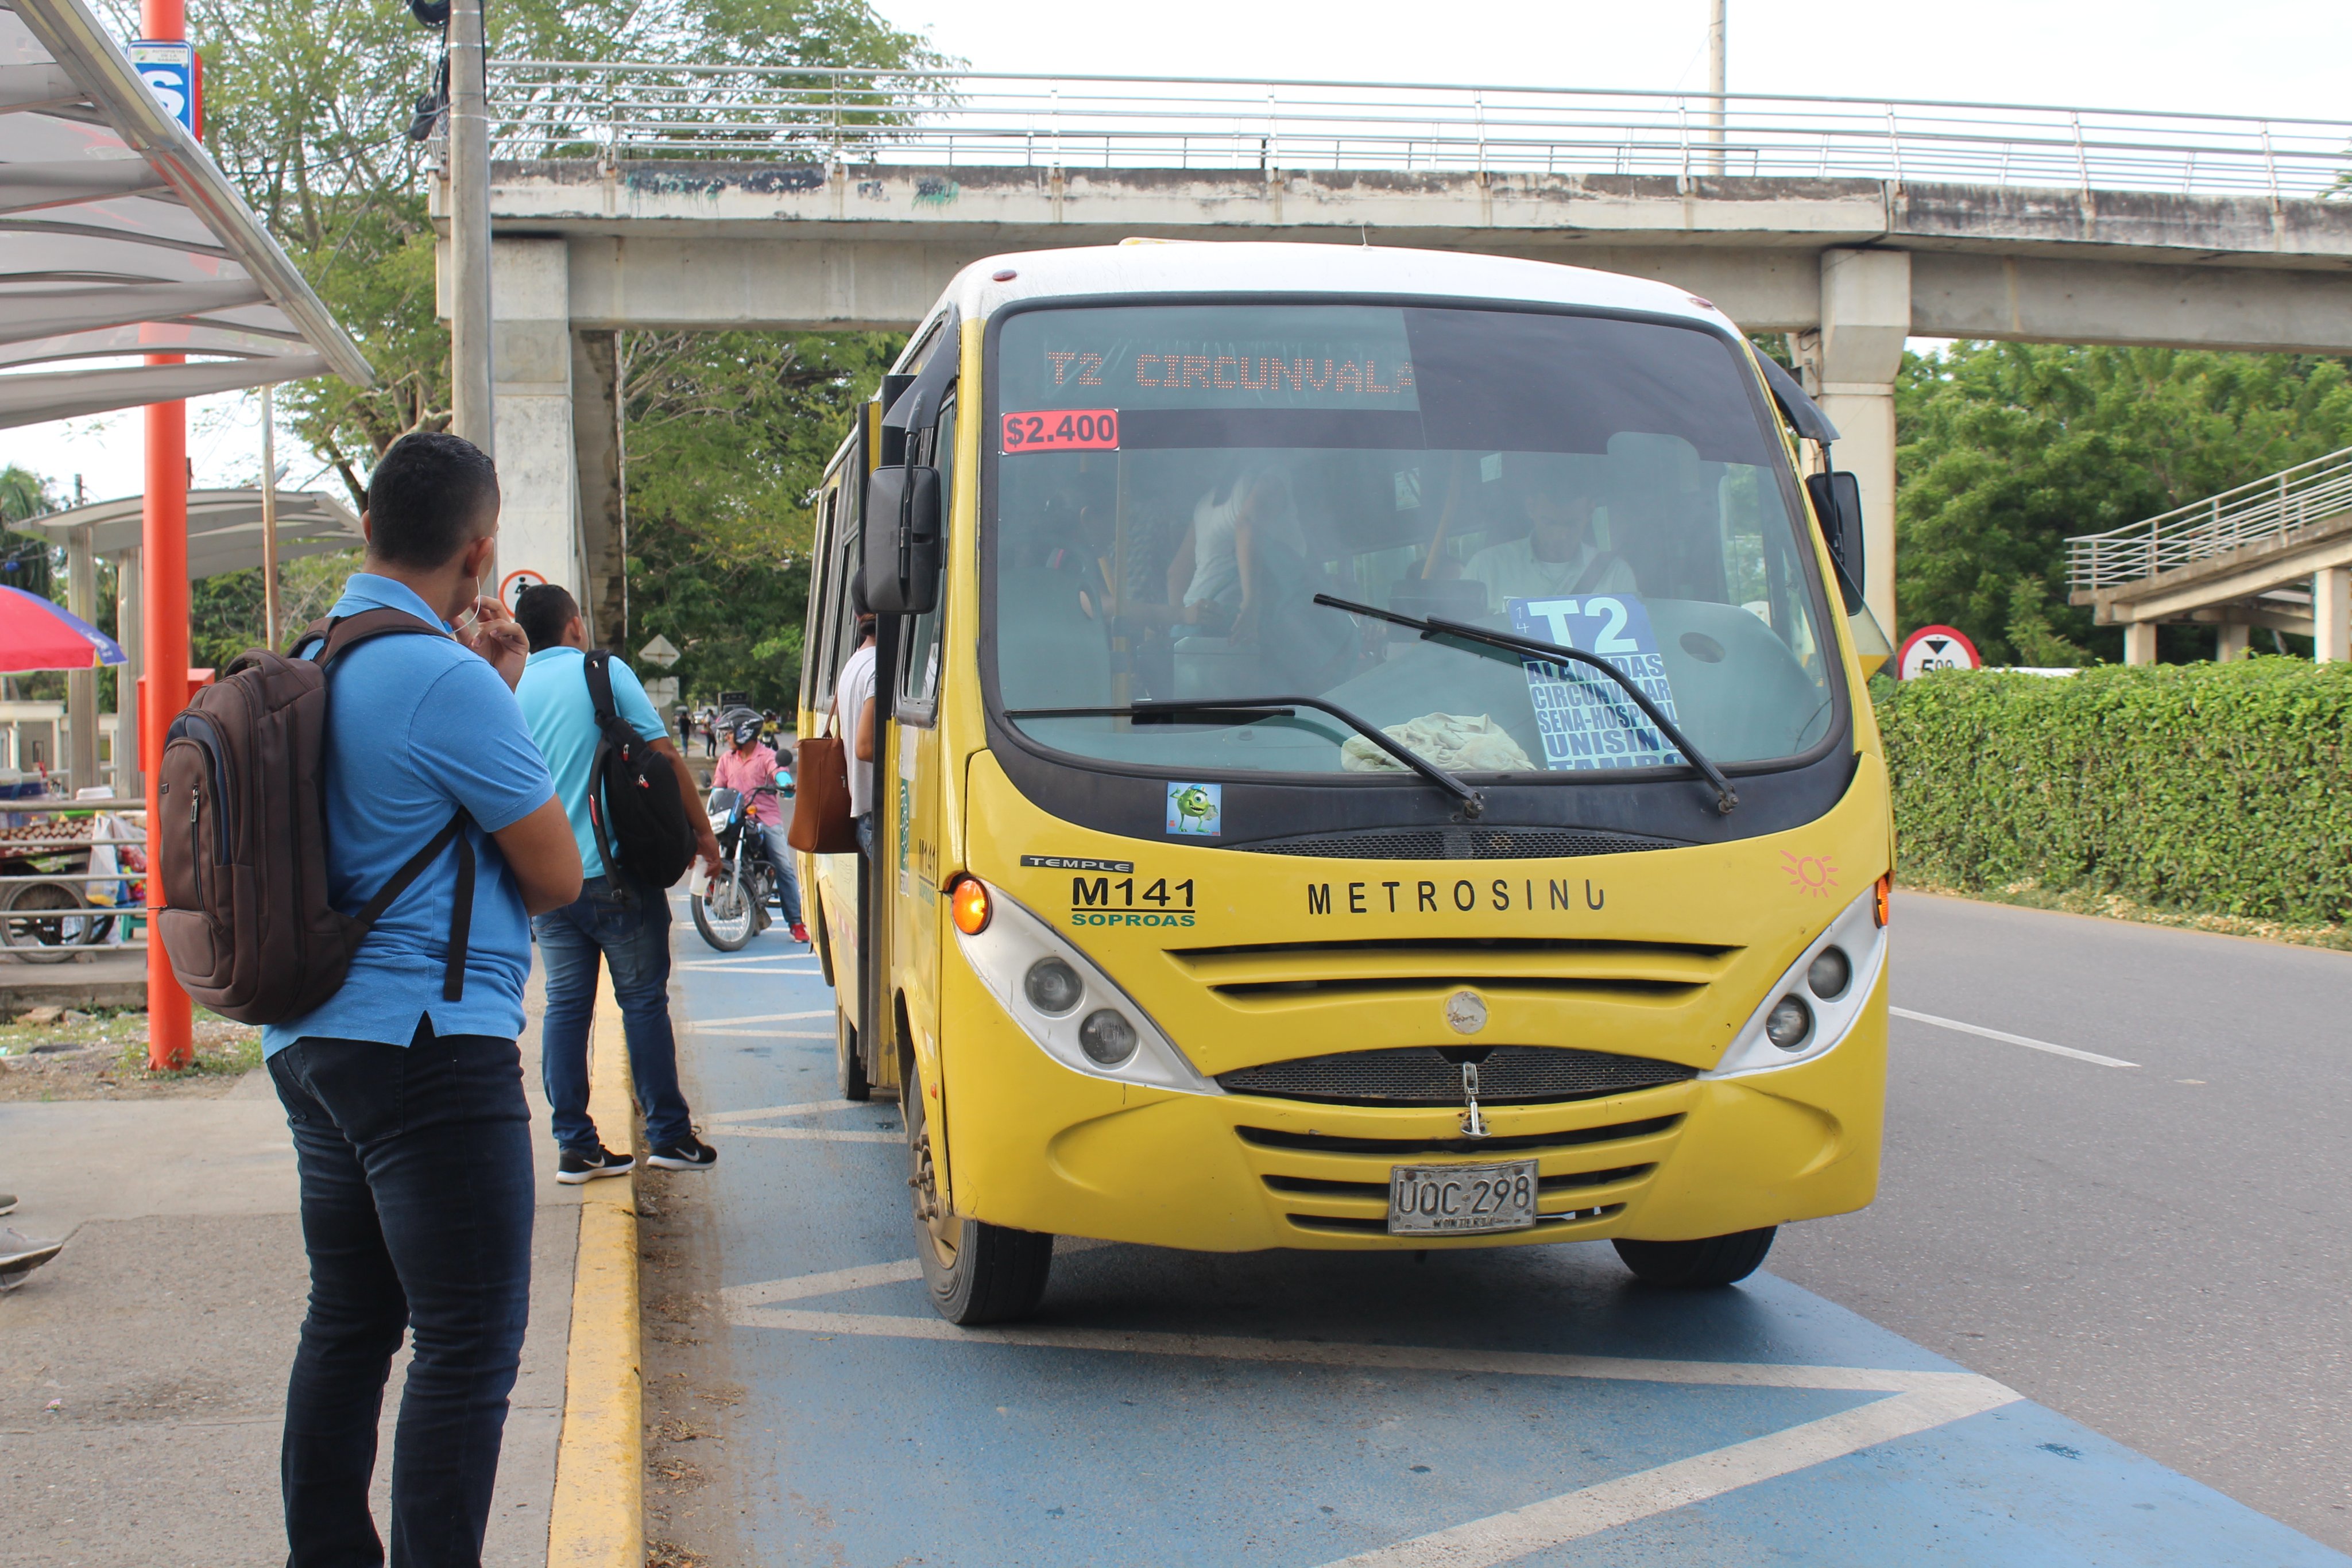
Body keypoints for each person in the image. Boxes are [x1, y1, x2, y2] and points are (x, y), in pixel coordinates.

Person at [262, 431, 584, 1568]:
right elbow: (554, 873)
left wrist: (487, 689)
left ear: (368, 532)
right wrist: (487, 690)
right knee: (468, 1344)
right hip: (428, 1049)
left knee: (348, 1321)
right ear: (479, 550)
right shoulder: (442, 677)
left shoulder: (316, 654)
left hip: (310, 1042)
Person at [513, 585, 725, 1182]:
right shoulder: (599, 672)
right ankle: (669, 1134)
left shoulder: (512, 690)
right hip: (617, 876)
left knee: (565, 1008)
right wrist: (703, 835)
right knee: (641, 1002)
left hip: (550, 885)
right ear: (575, 626)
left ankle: (574, 1144)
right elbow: (666, 758)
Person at [710, 710, 808, 944]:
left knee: (783, 866)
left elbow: (780, 775)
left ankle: (796, 923)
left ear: (744, 733)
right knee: (707, 845)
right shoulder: (726, 759)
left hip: (765, 819)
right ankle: (711, 889)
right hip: (734, 818)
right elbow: (717, 789)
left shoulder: (767, 756)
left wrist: (786, 784)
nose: (726, 738)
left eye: (730, 733)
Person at [1463, 483, 1637, 612]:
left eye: (1571, 524)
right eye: (1550, 523)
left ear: (1590, 512)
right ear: (1531, 509)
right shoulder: (1485, 568)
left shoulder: (1615, 574)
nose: (1560, 535)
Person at [834, 615, 879, 858]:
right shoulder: (878, 667)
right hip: (881, 814)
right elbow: (865, 747)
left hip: (868, 815)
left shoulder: (855, 663)